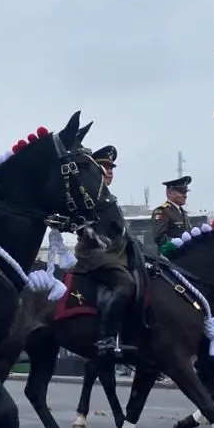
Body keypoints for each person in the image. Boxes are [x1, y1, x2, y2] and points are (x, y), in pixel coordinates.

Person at [71, 145, 135, 357]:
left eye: (111, 168)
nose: (109, 171)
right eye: (104, 167)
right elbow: (81, 226)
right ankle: (106, 337)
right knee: (126, 284)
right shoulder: (87, 195)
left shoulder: (109, 198)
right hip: (96, 256)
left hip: (117, 254)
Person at [149, 175, 192, 247]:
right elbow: (159, 237)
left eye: (185, 192)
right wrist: (172, 242)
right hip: (170, 256)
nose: (185, 195)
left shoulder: (183, 213)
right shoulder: (162, 211)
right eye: (181, 192)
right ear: (169, 192)